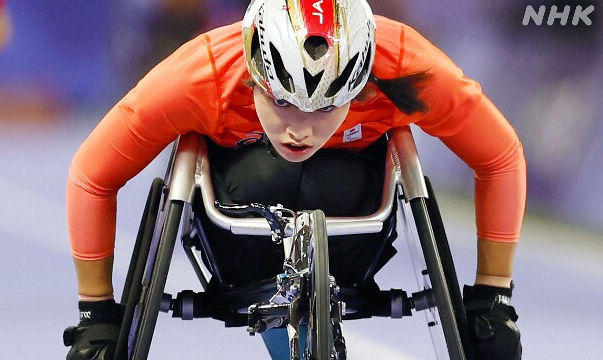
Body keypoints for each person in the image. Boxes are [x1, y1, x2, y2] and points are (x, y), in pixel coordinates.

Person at [63, 0, 525, 359]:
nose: (300, 129)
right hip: (237, 230)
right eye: (283, 102)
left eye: (327, 107)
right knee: (265, 173)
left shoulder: (404, 63)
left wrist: (493, 294)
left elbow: (501, 155)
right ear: (254, 73)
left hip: (355, 228)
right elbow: (92, 175)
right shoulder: (201, 74)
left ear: (362, 81)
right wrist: (96, 311)